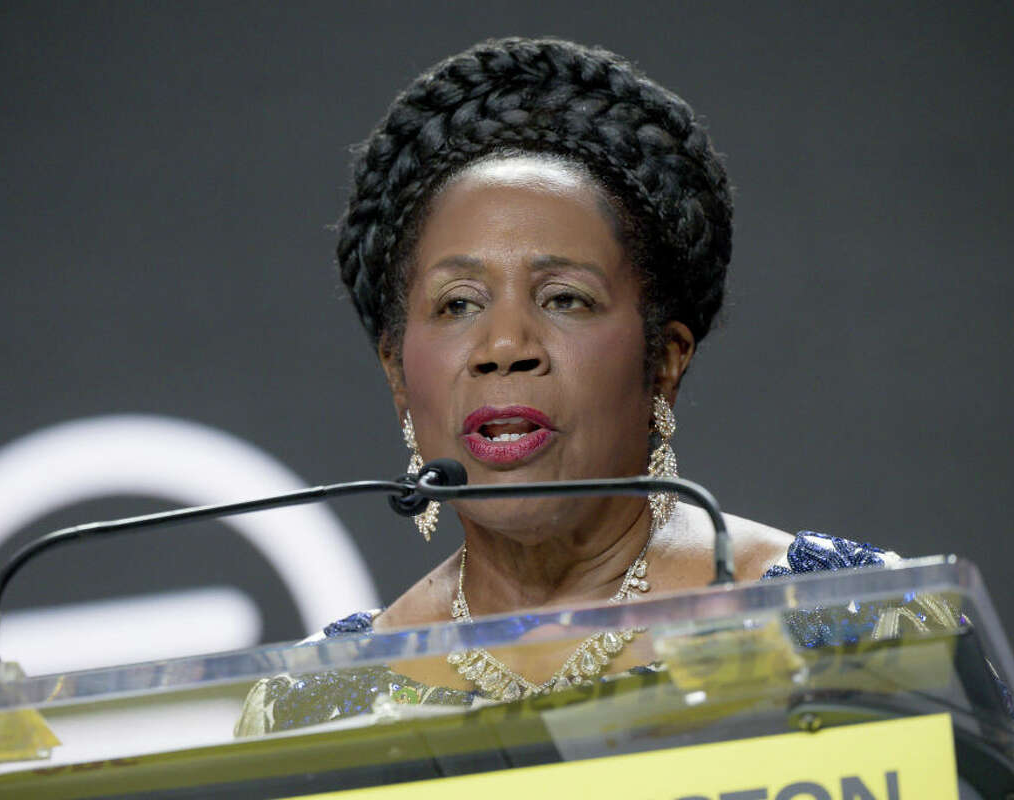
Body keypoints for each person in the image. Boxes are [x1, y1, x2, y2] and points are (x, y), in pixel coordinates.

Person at [235, 36, 902, 737]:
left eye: (564, 299)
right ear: (398, 374)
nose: (504, 348)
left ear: (666, 359)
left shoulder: (852, 622)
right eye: (458, 303)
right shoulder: (317, 705)